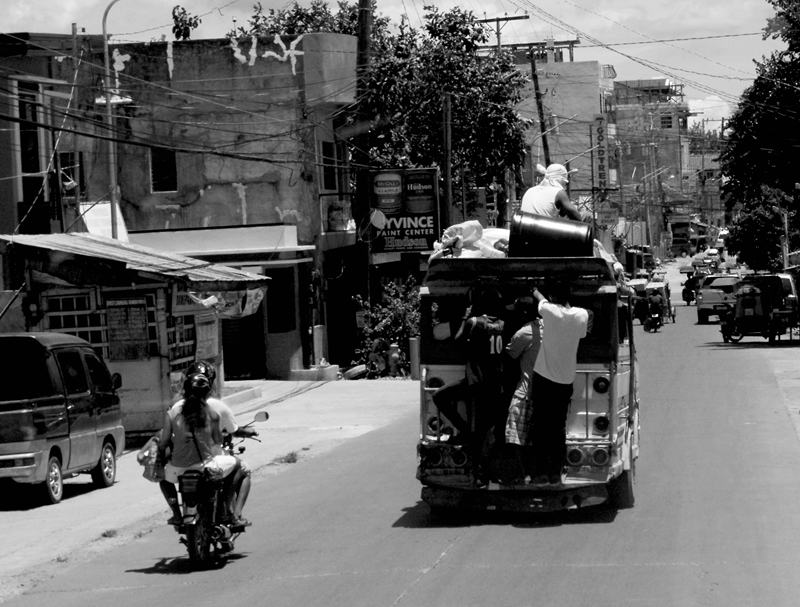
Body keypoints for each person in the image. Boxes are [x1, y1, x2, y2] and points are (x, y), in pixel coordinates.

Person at [159, 362, 257, 526]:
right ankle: (232, 514)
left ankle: (176, 513)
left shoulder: (174, 410)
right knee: (241, 467)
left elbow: (163, 442)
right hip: (206, 466)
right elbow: (218, 440)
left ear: (185, 388)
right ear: (208, 389)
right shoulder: (212, 412)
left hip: (177, 469)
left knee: (161, 476)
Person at [431, 288, 506, 485]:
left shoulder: (474, 322)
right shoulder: (503, 325)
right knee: (489, 431)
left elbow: (458, 341)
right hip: (495, 384)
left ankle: (466, 435)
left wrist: (465, 318)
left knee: (440, 396)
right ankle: (488, 472)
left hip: (475, 382)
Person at [529, 280, 590, 487]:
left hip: (543, 379)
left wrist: (535, 290)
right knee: (557, 428)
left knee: (540, 427)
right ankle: (555, 473)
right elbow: (582, 333)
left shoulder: (550, 312)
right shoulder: (582, 315)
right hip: (565, 380)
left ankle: (539, 474)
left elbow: (541, 300)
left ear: (553, 297)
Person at [503, 296, 542, 482]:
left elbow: (509, 355)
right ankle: (536, 472)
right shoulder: (550, 328)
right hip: (547, 391)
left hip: (525, 392)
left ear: (524, 313)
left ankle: (521, 474)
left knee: (514, 434)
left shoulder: (524, 333)